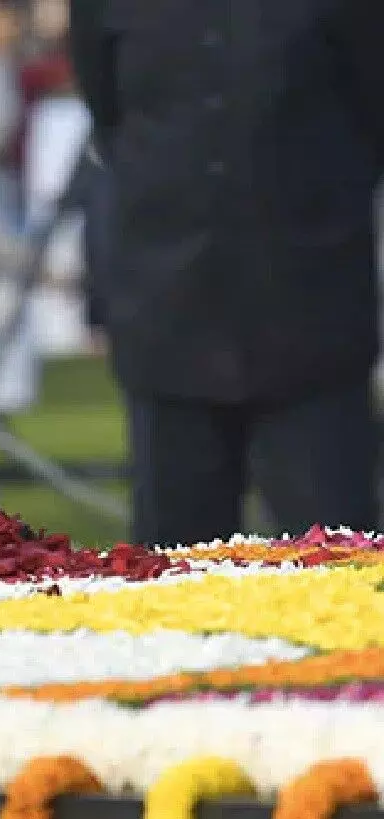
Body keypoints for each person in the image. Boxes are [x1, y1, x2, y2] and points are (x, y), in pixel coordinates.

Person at [71, 0, 384, 546]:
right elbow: (111, 115)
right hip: (167, 315)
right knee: (174, 572)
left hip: (309, 318)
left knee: (340, 566)